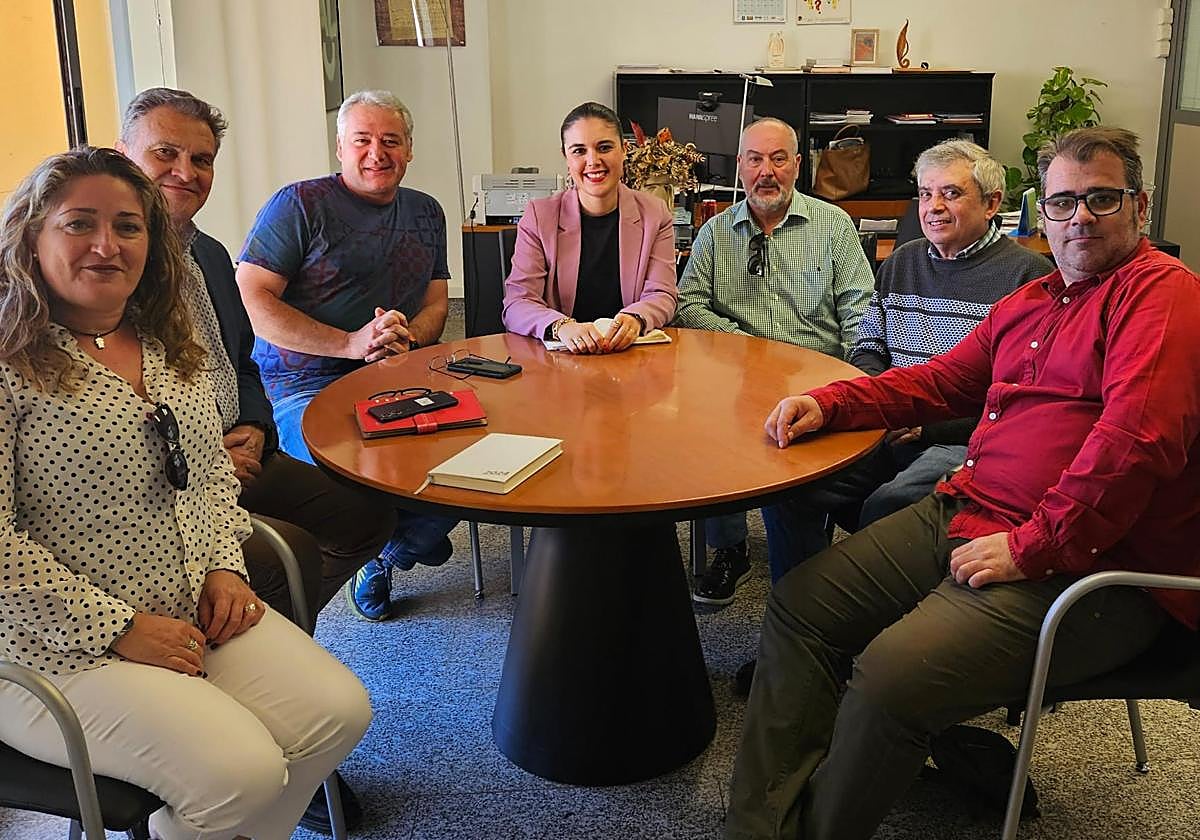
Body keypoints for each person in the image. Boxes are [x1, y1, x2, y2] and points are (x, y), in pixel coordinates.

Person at [725, 127, 1200, 840]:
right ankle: (764, 829)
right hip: (972, 508)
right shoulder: (1035, 298)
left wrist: (1034, 546)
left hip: (1093, 567)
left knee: (888, 679)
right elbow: (943, 380)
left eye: (1102, 199)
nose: (1080, 218)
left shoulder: (1162, 295)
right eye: (1065, 202)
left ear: (1139, 204)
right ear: (1041, 210)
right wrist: (833, 402)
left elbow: (1133, 447)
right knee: (801, 606)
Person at [0, 147, 372, 840]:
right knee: (242, 773)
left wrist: (225, 564)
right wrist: (123, 628)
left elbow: (203, 478)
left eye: (128, 226)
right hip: (50, 649)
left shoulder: (168, 345)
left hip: (189, 607)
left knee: (338, 713)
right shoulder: (9, 361)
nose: (107, 245)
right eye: (79, 224)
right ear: (31, 234)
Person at [115, 86, 388, 832]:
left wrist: (258, 432)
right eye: (164, 153)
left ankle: (275, 666)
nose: (185, 171)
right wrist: (206, 453)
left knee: (364, 512)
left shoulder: (205, 252)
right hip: (173, 475)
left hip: (239, 448)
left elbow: (242, 363)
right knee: (284, 557)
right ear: (122, 156)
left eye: (199, 158)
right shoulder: (103, 265)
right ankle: (248, 712)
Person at [237, 89, 457, 622]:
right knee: (348, 482)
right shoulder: (299, 205)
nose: (376, 153)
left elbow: (436, 301)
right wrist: (348, 344)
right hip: (302, 385)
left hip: (398, 372)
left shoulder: (427, 211)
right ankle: (384, 545)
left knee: (462, 470)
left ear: (409, 150)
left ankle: (391, 548)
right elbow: (252, 294)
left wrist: (411, 337)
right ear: (340, 147)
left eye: (390, 141)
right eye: (362, 140)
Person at [674, 116, 873, 606]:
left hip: (811, 383)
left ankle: (801, 595)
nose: (767, 171)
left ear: (798, 166)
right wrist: (743, 345)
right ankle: (730, 547)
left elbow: (861, 310)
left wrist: (856, 386)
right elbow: (688, 304)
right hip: (731, 381)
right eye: (756, 159)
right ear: (741, 166)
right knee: (698, 432)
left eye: (779, 159)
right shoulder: (716, 234)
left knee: (793, 472)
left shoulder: (833, 226)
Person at [502, 101, 678, 352]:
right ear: (566, 157)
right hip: (561, 360)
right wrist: (561, 326)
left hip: (630, 356)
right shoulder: (540, 215)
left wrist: (635, 318)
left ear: (624, 150)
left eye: (604, 147)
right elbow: (517, 303)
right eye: (579, 151)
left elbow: (663, 294)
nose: (593, 161)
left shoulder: (654, 213)